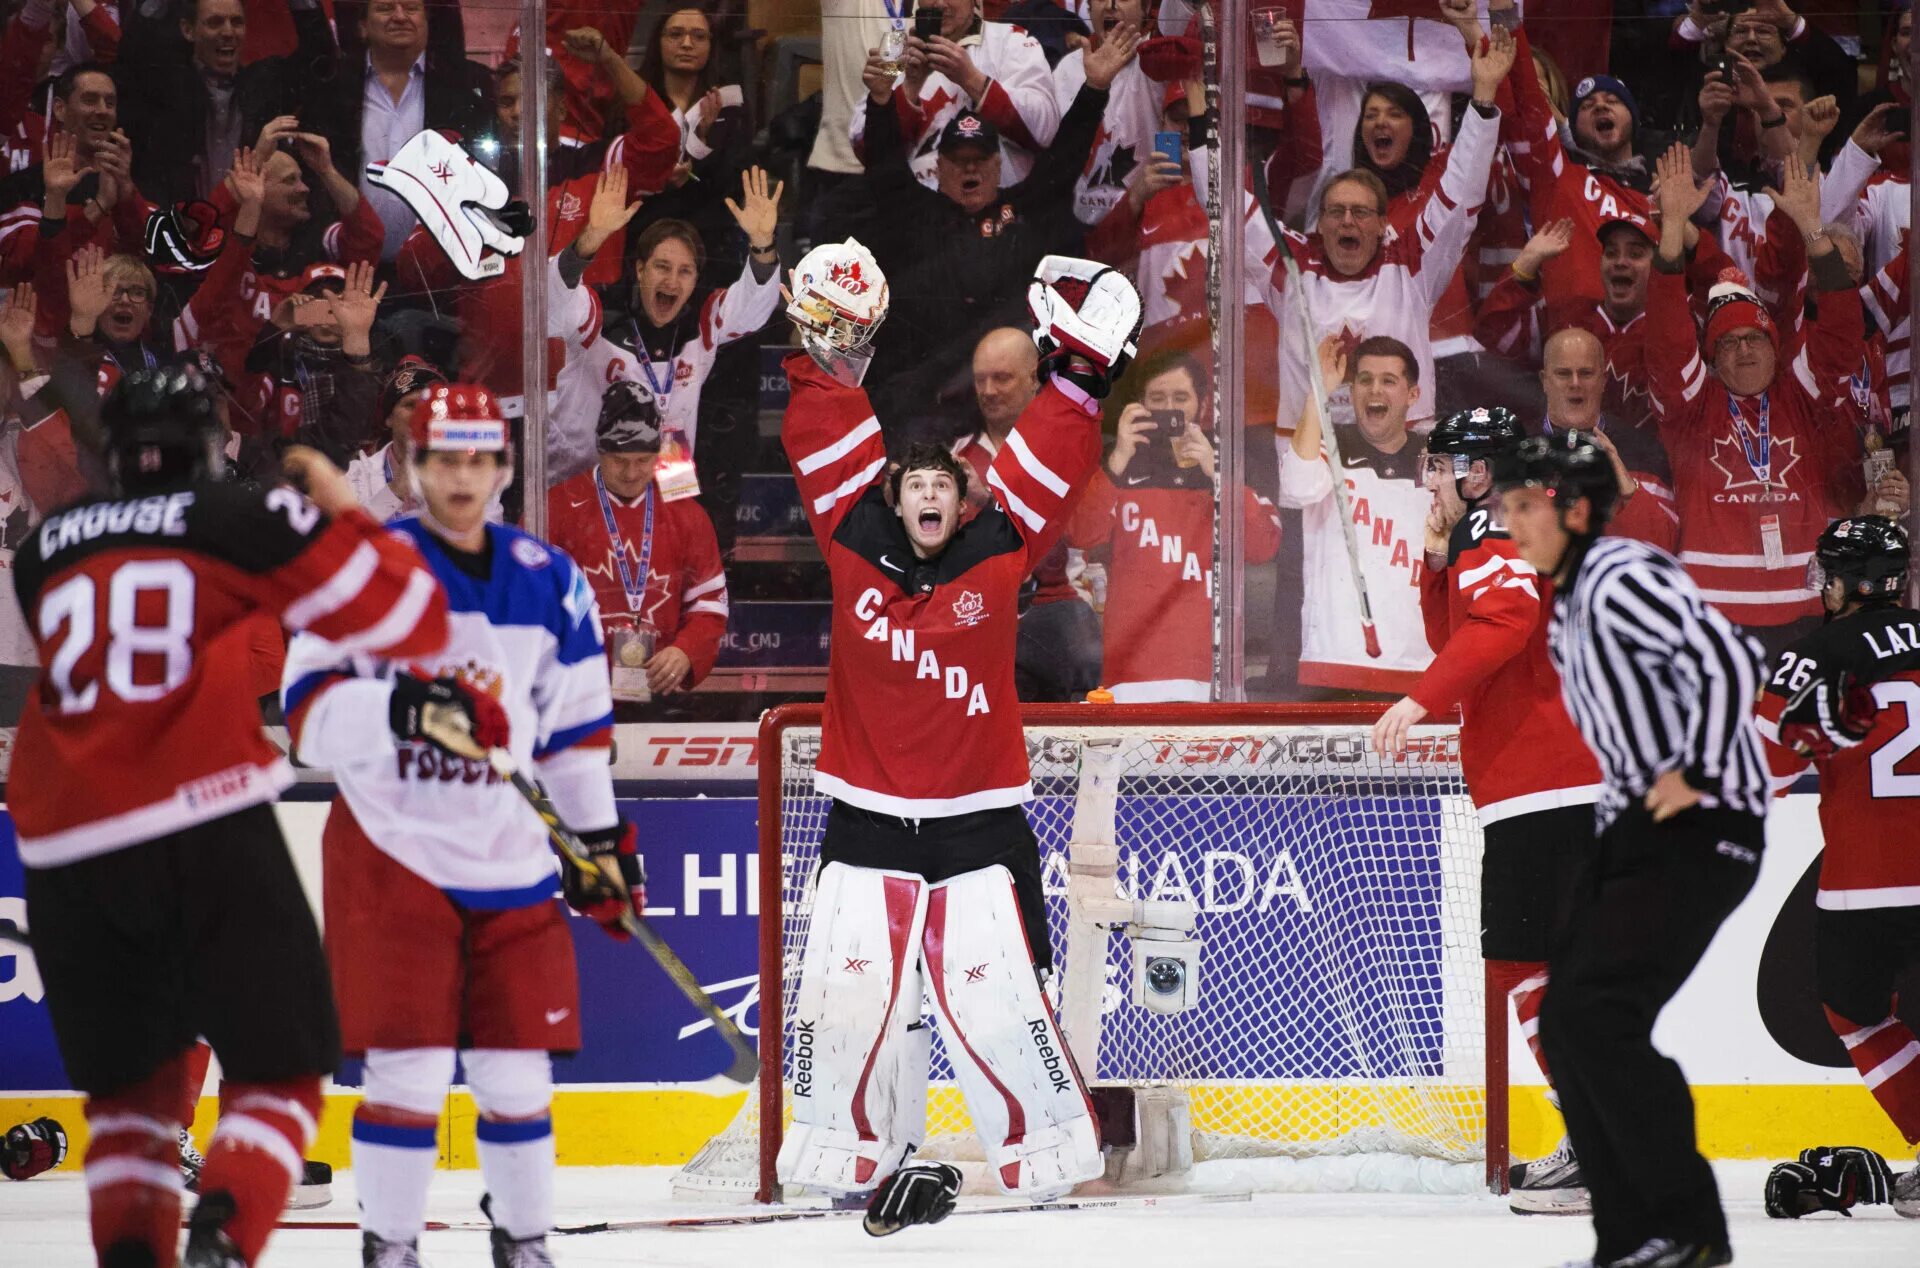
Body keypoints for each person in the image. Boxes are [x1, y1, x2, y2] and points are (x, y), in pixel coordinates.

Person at [9, 361, 451, 1268]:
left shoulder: (45, 547)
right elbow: (412, 620)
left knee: (129, 1107)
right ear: (205, 447)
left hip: (59, 845)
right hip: (198, 819)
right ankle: (222, 1239)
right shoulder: (236, 519)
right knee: (283, 1072)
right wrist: (340, 501)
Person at [775, 241, 1139, 1232]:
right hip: (870, 812)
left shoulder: (997, 552)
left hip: (979, 819)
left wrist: (1079, 377)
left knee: (1001, 998)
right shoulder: (854, 543)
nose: (932, 499)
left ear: (962, 499)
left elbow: (1037, 476)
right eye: (914, 488)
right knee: (845, 992)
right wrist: (824, 360)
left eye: (948, 488)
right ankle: (840, 1149)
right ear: (892, 498)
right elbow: (826, 446)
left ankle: (1048, 1151)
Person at [280, 382, 636, 1268]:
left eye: (480, 459)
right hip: (395, 856)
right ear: (412, 466)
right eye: (445, 459)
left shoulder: (549, 580)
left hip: (513, 860)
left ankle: (524, 1244)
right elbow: (309, 721)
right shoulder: (362, 572)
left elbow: (576, 736)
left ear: (506, 467)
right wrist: (402, 710)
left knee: (516, 1076)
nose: (463, 476)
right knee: (406, 1072)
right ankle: (391, 1247)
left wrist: (594, 846)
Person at [1498, 431, 1770, 1268]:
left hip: (1703, 827)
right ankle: (1633, 1235)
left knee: (1597, 1016)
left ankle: (1684, 1229)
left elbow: (1732, 659)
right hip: (1640, 832)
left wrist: (1691, 769)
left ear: (1574, 510)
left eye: (1525, 508)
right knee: (1573, 1022)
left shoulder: (1618, 576)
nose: (1511, 528)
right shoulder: (1574, 603)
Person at [1371, 407, 1602, 1215]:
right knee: (1539, 963)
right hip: (1556, 780)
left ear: (1478, 469)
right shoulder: (1503, 521)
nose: (1427, 479)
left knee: (1523, 959)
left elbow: (1503, 622)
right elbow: (1459, 635)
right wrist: (1433, 563)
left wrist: (1417, 701)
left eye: (1439, 464)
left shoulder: (1501, 515)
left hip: (1549, 782)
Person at [1751, 515, 1920, 1218]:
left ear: (1843, 582)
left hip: (1866, 881)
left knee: (1854, 1012)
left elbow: (1764, 772)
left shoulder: (1812, 654)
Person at [1233, 19, 1509, 435]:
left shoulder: (1434, 193)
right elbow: (1244, 201)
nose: (1349, 220)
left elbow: (1466, 182)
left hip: (1442, 372)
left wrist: (1484, 95)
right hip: (1339, 423)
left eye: (1394, 114)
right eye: (1371, 114)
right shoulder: (1326, 229)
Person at [1644, 143, 1863, 661]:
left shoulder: (1800, 396)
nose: (1744, 349)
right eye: (1729, 342)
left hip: (1806, 610)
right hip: (1712, 614)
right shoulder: (1690, 407)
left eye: (1756, 339)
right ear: (1713, 357)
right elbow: (1668, 337)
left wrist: (1813, 229)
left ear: (1776, 347)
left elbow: (1840, 336)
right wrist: (1672, 231)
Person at [857, 29, 1129, 436]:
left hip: (1006, 397)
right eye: (959, 160)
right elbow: (882, 164)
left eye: (980, 159)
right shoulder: (914, 213)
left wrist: (1095, 87)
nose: (970, 169)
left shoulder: (1024, 209)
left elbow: (1065, 159)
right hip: (927, 400)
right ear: (939, 167)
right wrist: (881, 101)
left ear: (998, 165)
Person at [547, 163, 782, 483]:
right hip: (579, 484)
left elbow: (753, 306)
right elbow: (552, 302)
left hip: (666, 486)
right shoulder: (598, 314)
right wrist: (592, 237)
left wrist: (762, 244)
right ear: (640, 269)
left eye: (685, 271)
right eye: (662, 266)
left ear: (696, 278)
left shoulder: (702, 327)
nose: (672, 280)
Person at [1067, 350, 1279, 701]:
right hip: (1131, 672)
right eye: (1157, 399)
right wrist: (1118, 457)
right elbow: (1081, 534)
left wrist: (1217, 474)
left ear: (1203, 404)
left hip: (1209, 673)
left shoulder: (1230, 461)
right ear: (1140, 405)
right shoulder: (1117, 463)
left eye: (1180, 398)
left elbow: (1263, 546)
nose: (1169, 409)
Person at [548, 379, 730, 706]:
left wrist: (685, 651)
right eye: (620, 461)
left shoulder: (688, 514)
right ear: (601, 451)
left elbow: (709, 603)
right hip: (573, 692)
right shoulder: (555, 507)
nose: (631, 473)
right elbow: (532, 600)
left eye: (643, 461)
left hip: (659, 689)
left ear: (658, 454)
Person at [1277, 334, 1433, 696]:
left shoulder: (1439, 461)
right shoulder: (1327, 444)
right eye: (1364, 380)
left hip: (1419, 671)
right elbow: (1298, 486)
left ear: (1413, 395)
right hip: (1333, 669)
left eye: (1388, 381)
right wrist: (1319, 389)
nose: (1374, 390)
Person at [955, 326, 1101, 702]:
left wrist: (988, 501)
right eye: (980, 380)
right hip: (984, 617)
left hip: (1060, 610)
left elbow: (1083, 535)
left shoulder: (1068, 448)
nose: (988, 391)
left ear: (1035, 378)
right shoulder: (955, 461)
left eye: (1002, 378)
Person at [305, 0, 495, 259]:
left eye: (411, 8)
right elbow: (319, 177)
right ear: (362, 25)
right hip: (350, 265)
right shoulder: (333, 86)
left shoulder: (467, 84)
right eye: (385, 8)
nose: (399, 16)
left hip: (440, 268)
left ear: (427, 20)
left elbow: (484, 175)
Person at [117, 0, 336, 205]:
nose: (228, 32)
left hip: (248, 233)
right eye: (215, 22)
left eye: (237, 22)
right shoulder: (165, 84)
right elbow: (132, 52)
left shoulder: (265, 84)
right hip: (180, 230)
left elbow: (320, 58)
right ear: (188, 30)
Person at [850, 0, 1060, 189]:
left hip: (997, 209)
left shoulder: (1011, 38)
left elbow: (1044, 130)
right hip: (914, 214)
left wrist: (972, 79)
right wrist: (909, 88)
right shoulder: (895, 46)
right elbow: (865, 152)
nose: (940, 4)